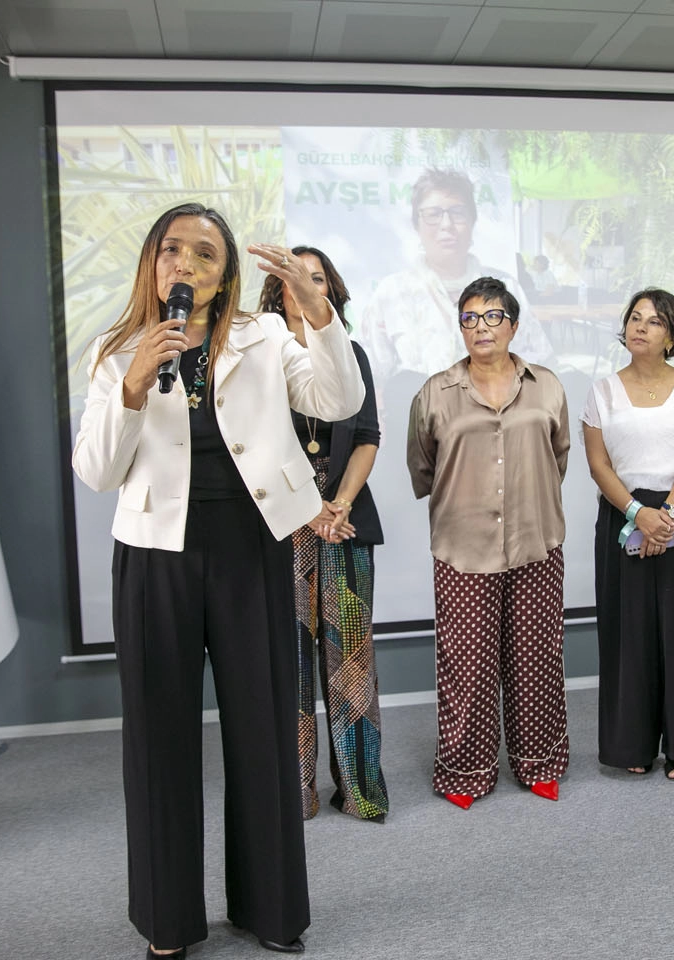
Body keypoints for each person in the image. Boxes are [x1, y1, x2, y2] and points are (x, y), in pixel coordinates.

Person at [72, 203, 363, 957]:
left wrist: (316, 308)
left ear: (226, 272)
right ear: (153, 262)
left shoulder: (263, 336)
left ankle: (270, 910)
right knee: (158, 740)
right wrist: (134, 385)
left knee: (264, 732)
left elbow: (340, 402)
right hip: (153, 556)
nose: (187, 264)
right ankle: (168, 922)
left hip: (251, 552)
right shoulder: (116, 351)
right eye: (174, 250)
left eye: (205, 253)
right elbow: (97, 471)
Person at [406, 276, 570, 809]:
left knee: (535, 660)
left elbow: (558, 456)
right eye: (469, 318)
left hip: (536, 543)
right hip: (462, 546)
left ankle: (539, 762)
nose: (481, 327)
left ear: (514, 325)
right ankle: (466, 771)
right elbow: (423, 466)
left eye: (493, 316)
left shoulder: (546, 385)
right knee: (467, 665)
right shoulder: (435, 391)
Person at [257, 245, 389, 822]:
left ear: (330, 290)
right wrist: (309, 509)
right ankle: (296, 793)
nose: (306, 286)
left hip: (345, 524)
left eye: (318, 278)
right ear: (277, 290)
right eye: (295, 278)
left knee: (351, 663)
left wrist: (337, 502)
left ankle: (360, 790)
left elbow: (367, 435)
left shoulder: (350, 353)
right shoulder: (258, 355)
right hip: (279, 531)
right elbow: (255, 448)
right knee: (286, 665)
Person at [582, 289, 674, 779]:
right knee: (629, 636)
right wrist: (635, 513)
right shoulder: (602, 391)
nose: (640, 326)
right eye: (634, 317)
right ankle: (634, 746)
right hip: (621, 516)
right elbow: (599, 464)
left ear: (673, 335)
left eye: (654, 321)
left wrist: (663, 516)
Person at [363, 168, 550, 379]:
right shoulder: (392, 293)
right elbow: (373, 378)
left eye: (457, 213)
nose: (447, 225)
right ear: (417, 224)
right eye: (433, 214)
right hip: (415, 412)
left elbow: (540, 364)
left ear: (472, 222)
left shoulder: (506, 288)